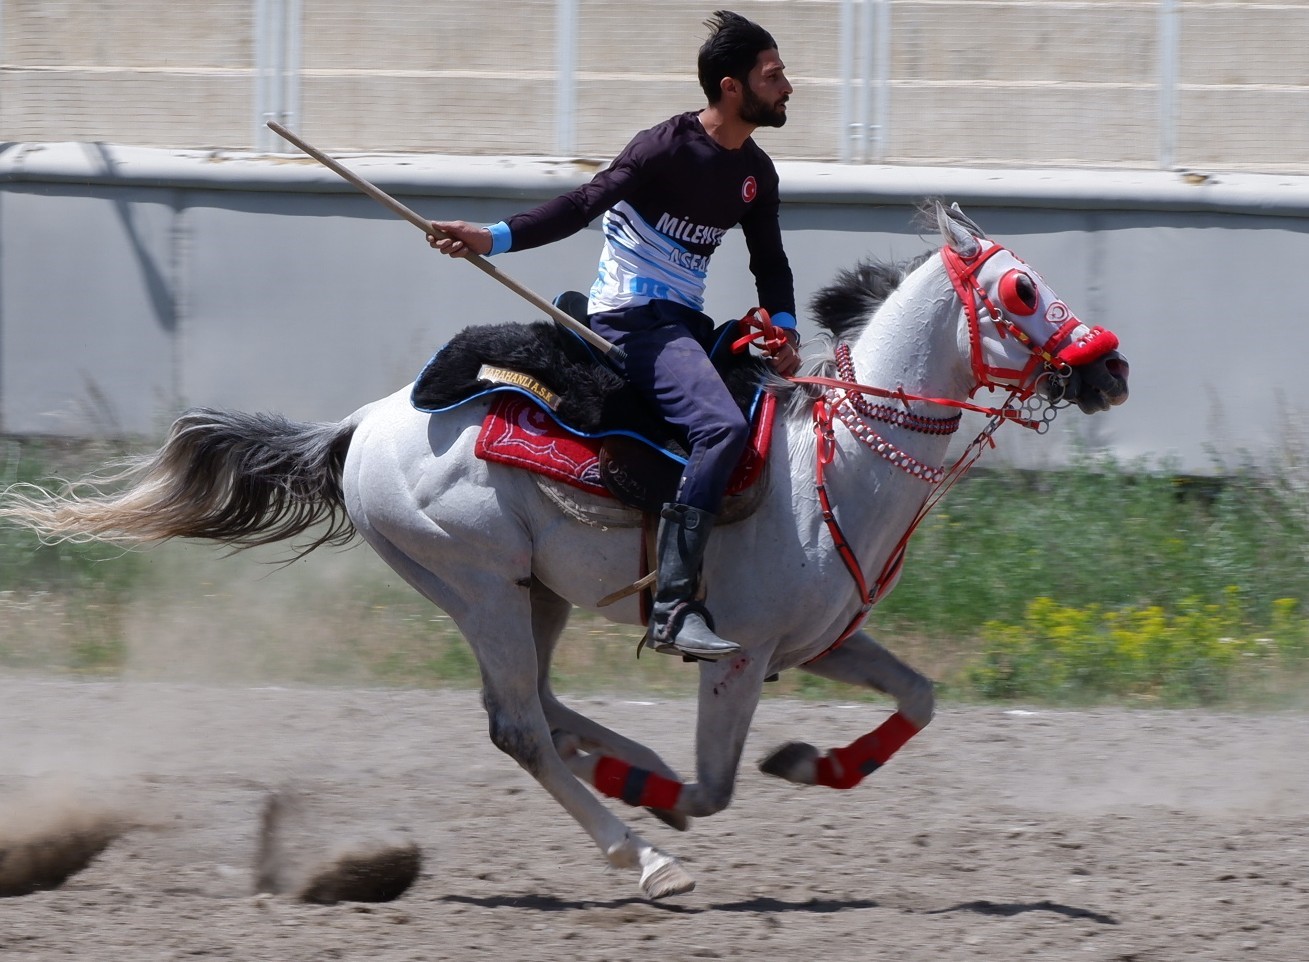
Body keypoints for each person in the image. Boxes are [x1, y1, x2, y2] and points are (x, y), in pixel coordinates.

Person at [428, 10, 799, 661]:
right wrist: (490, 237)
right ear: (731, 86)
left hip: (685, 326)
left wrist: (787, 328)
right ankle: (675, 607)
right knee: (721, 430)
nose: (788, 87)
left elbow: (769, 264)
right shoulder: (661, 147)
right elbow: (578, 207)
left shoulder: (755, 173)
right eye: (774, 76)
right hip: (630, 321)